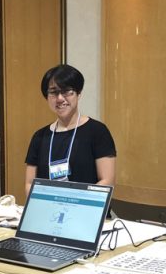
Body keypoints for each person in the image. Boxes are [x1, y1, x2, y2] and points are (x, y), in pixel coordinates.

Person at [25, 64, 116, 196]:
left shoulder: (97, 131)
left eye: (67, 91)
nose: (60, 98)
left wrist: (72, 202)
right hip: (49, 207)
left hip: (87, 207)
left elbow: (107, 181)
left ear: (78, 94)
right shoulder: (39, 137)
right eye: (53, 92)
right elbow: (29, 183)